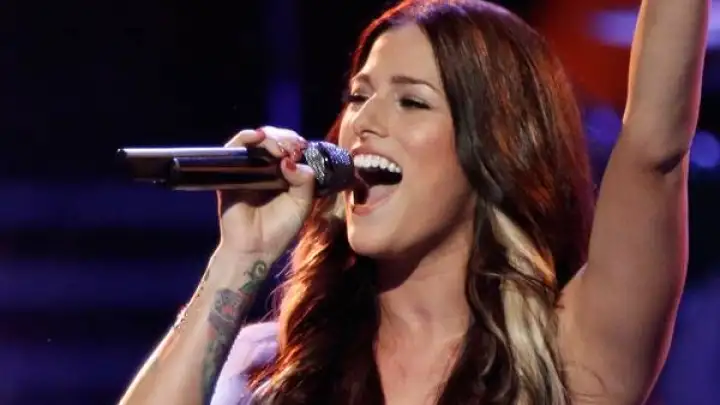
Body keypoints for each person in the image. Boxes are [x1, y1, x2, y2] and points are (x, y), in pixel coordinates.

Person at [118, 0, 709, 404]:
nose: (363, 123)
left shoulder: (568, 353)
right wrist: (238, 259)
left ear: (495, 148)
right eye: (358, 96)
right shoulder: (273, 367)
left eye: (412, 102)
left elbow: (654, 151)